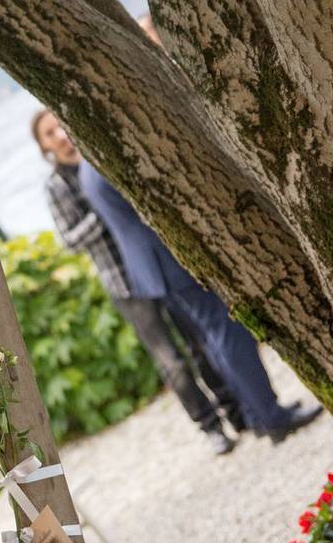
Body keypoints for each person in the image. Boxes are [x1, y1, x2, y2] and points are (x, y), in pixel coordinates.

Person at [31, 108, 244, 455]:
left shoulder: (98, 159)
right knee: (171, 361)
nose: (59, 135)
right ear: (45, 147)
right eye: (49, 133)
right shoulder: (57, 187)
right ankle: (210, 427)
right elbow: (69, 239)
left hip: (157, 268)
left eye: (59, 126)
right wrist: (102, 211)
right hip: (125, 285)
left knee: (198, 342)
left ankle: (235, 410)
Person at [78, 161, 323, 443]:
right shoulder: (99, 163)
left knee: (212, 336)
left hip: (152, 267)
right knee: (227, 329)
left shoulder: (87, 168)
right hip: (166, 260)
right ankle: (272, 417)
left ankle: (256, 414)